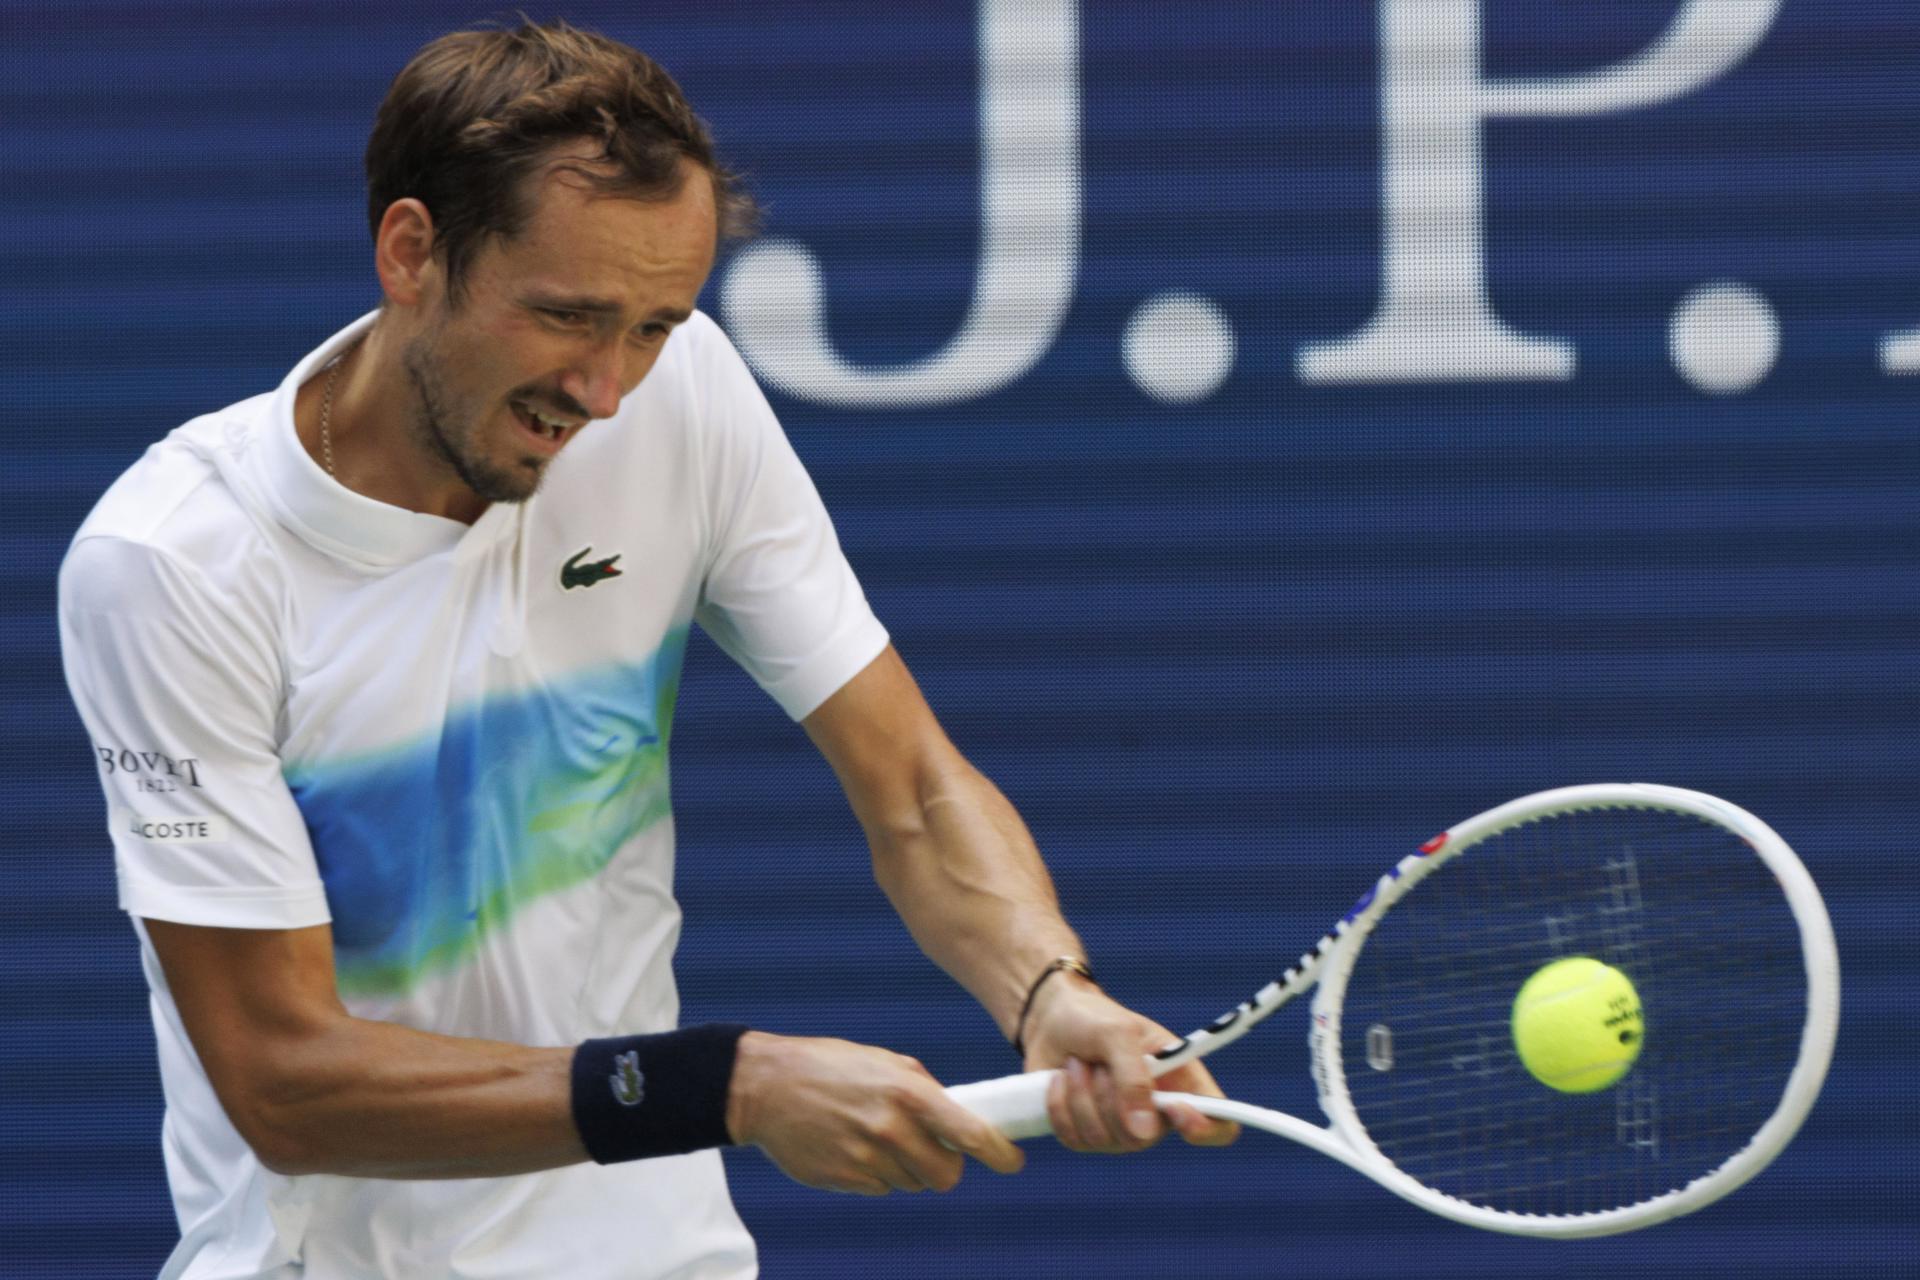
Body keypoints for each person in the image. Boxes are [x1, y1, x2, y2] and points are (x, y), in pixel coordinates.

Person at [58, 19, 1232, 1280]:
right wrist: (724, 1084)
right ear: (412, 252)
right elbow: (283, 1077)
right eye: (567, 316)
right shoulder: (176, 563)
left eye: (655, 325)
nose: (608, 390)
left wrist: (1046, 987)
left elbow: (913, 787)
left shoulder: (683, 397)